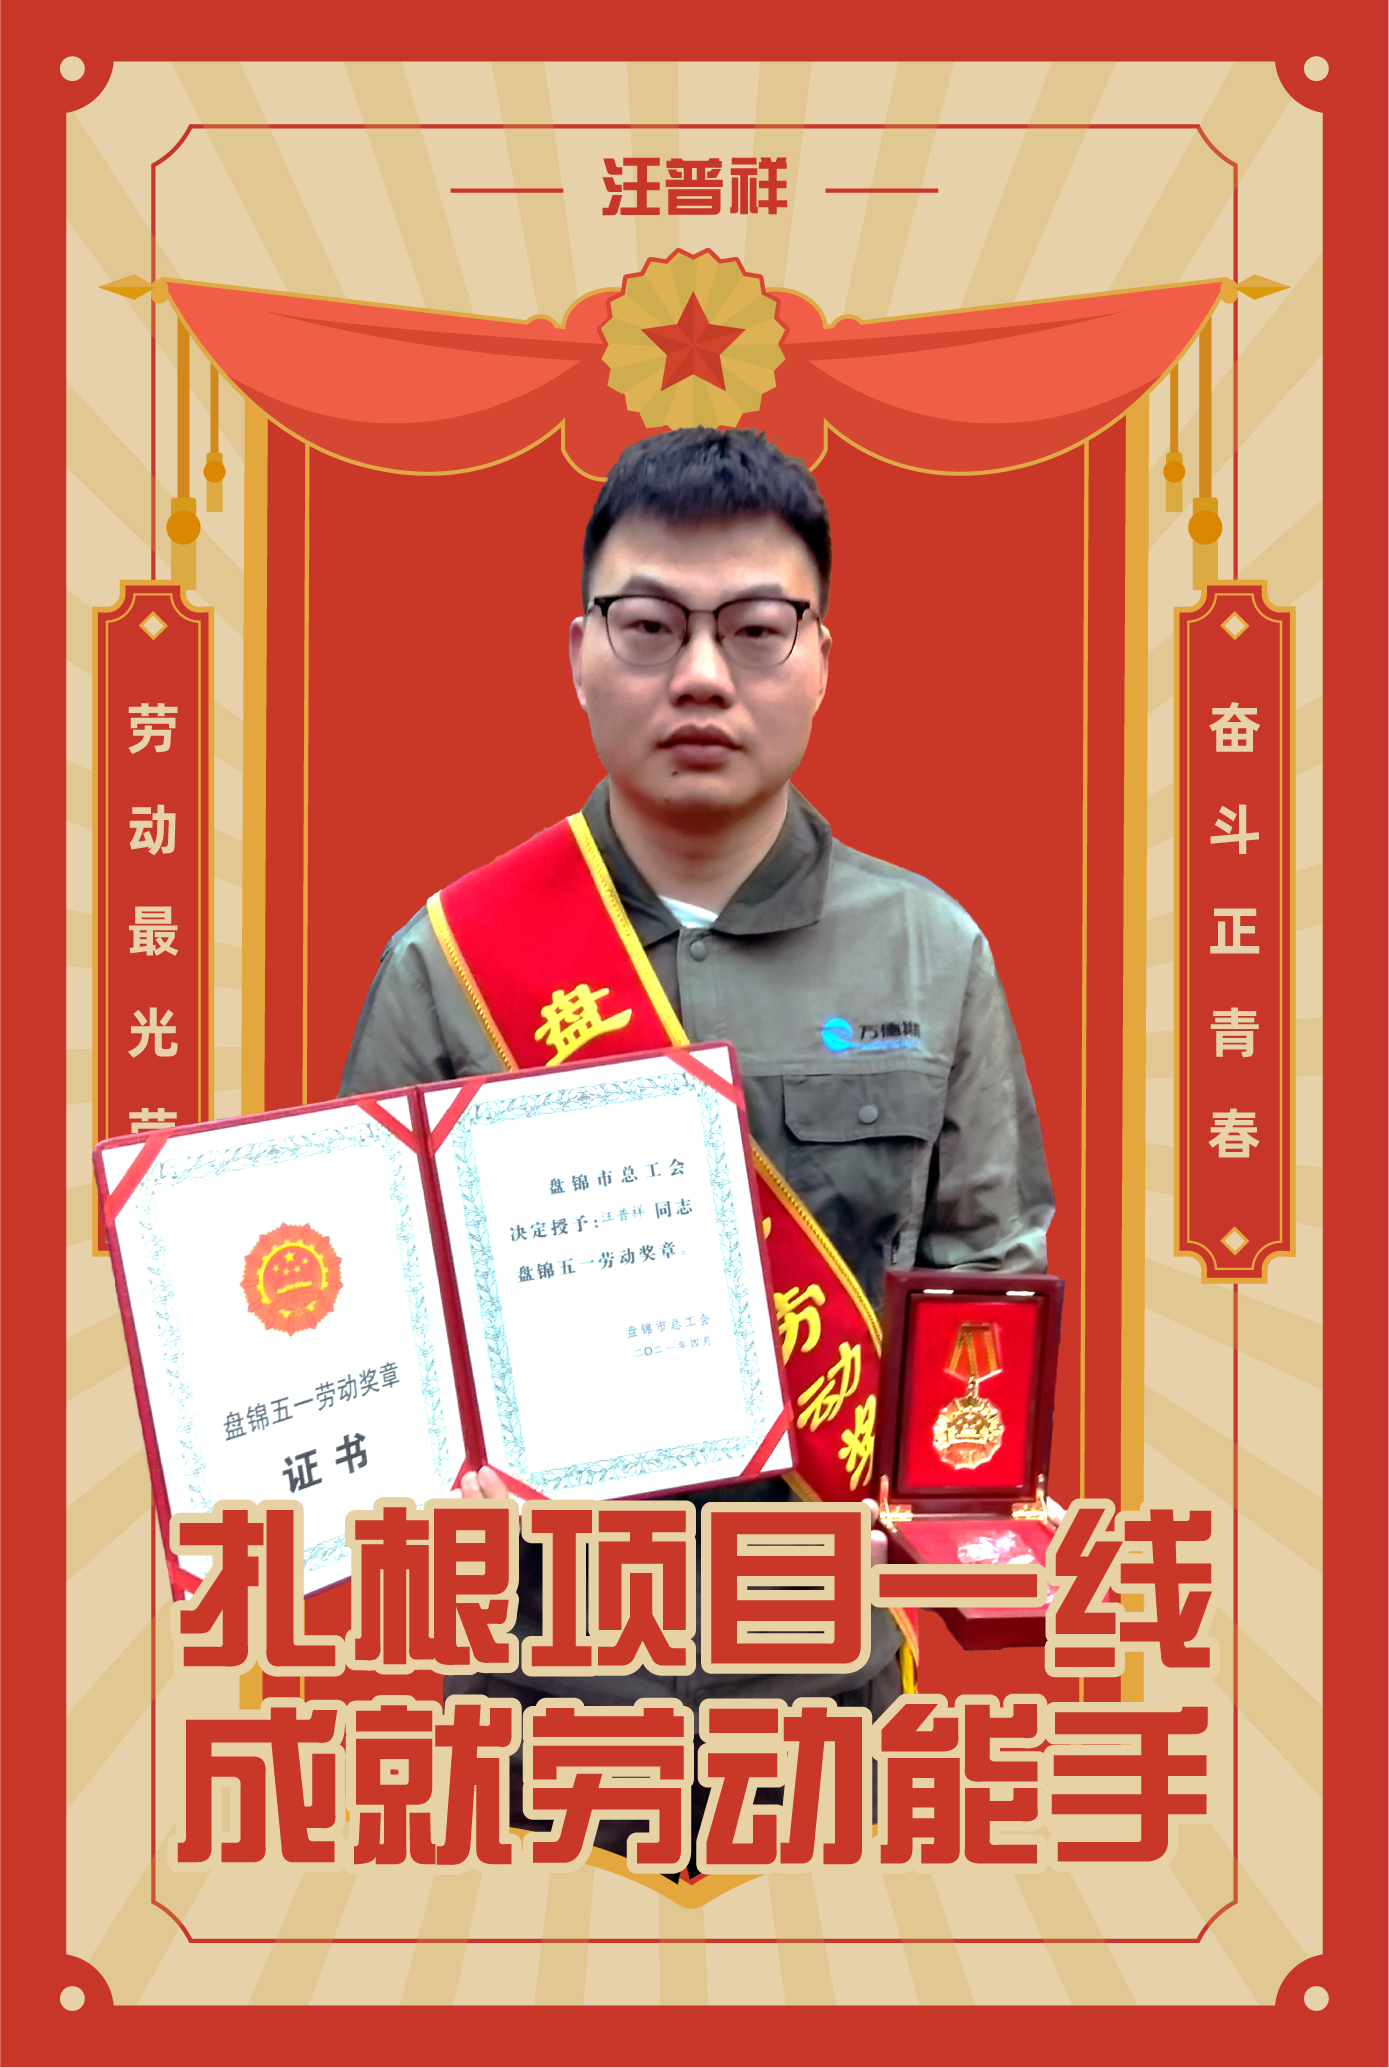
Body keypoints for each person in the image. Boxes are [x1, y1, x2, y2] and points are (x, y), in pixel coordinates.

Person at [339, 426, 1054, 1865]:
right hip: (527, 1729)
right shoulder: (450, 962)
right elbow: (369, 1326)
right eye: (652, 626)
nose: (705, 676)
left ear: (822, 656)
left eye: (758, 628)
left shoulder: (934, 955)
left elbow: (988, 1281)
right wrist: (410, 1488)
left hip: (832, 1718)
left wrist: (951, 1519)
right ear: (580, 653)